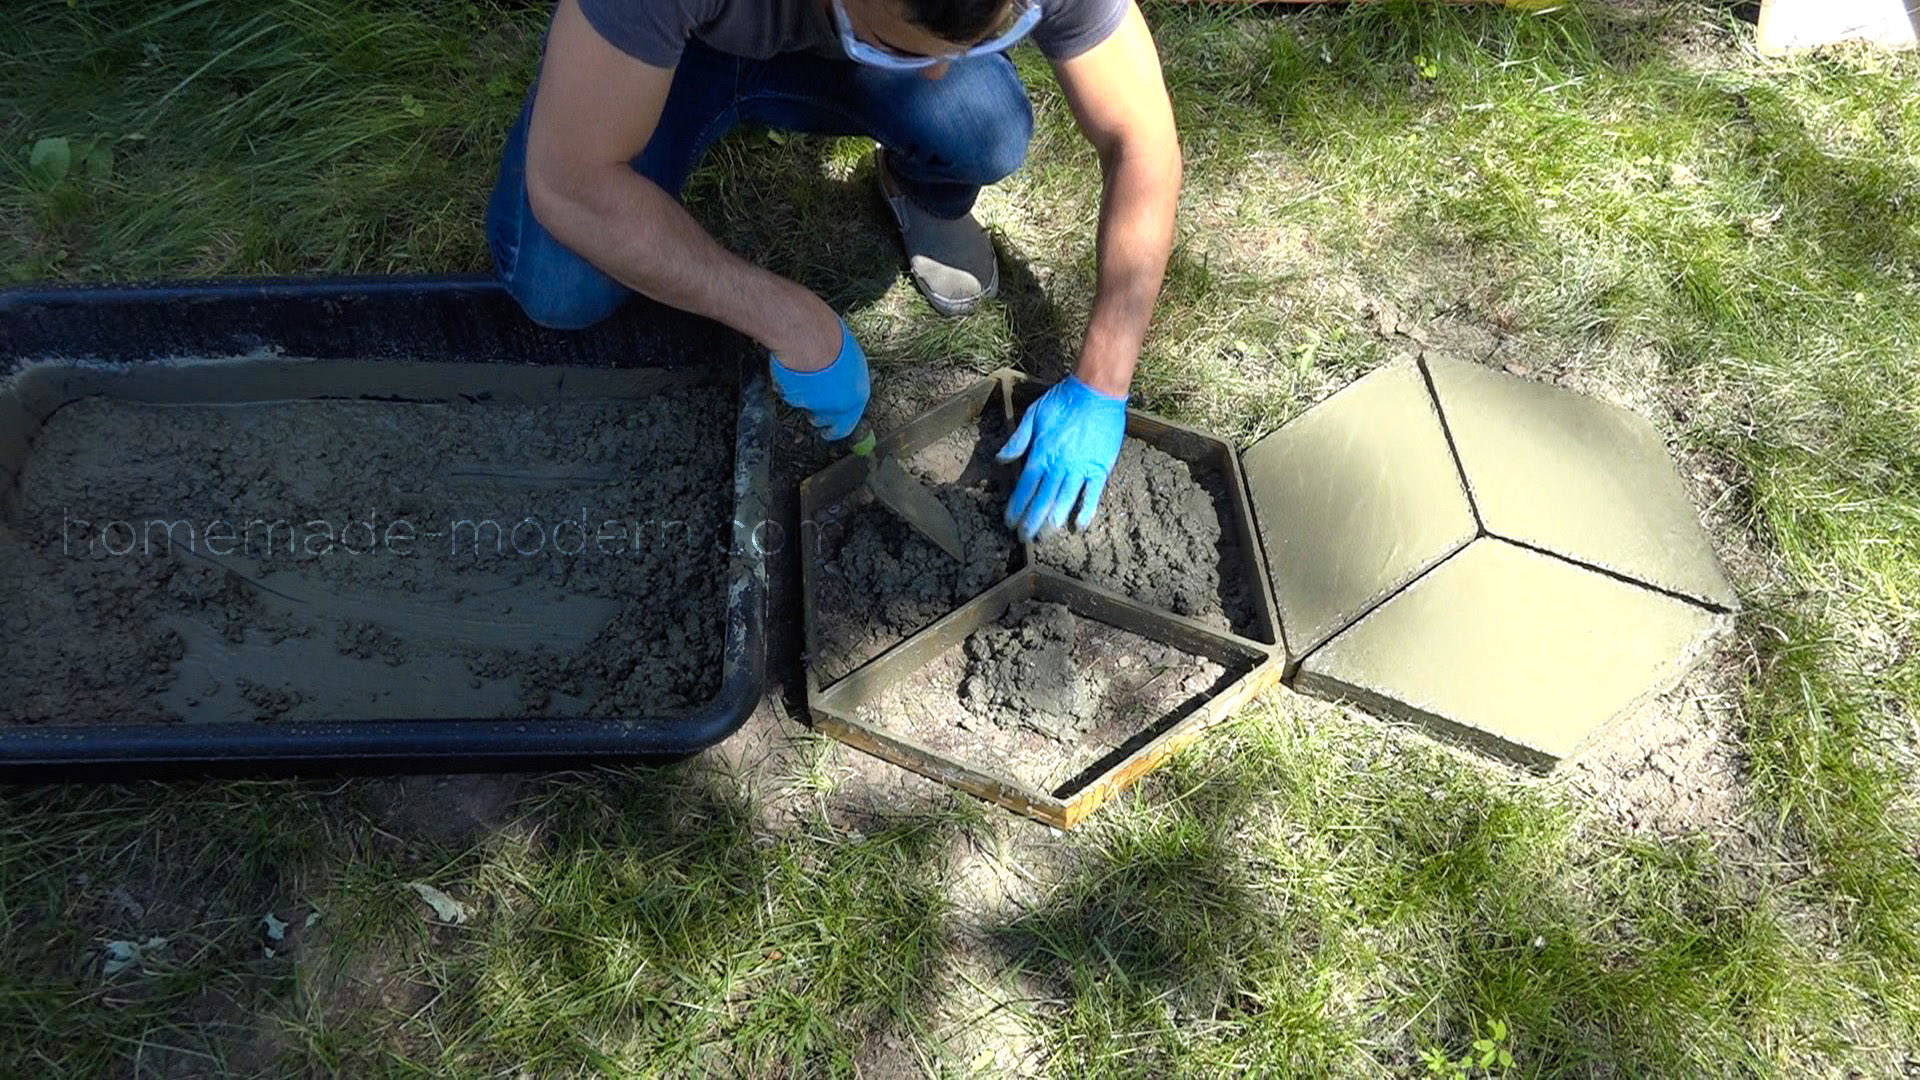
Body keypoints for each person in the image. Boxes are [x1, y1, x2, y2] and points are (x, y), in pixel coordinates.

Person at [486, 0, 1180, 539]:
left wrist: (1102, 382)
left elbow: (1141, 138)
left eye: (974, 44)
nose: (937, 74)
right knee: (561, 285)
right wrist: (785, 315)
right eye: (901, 47)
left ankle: (917, 184)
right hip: (669, 53)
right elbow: (572, 183)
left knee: (982, 126)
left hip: (821, 44)